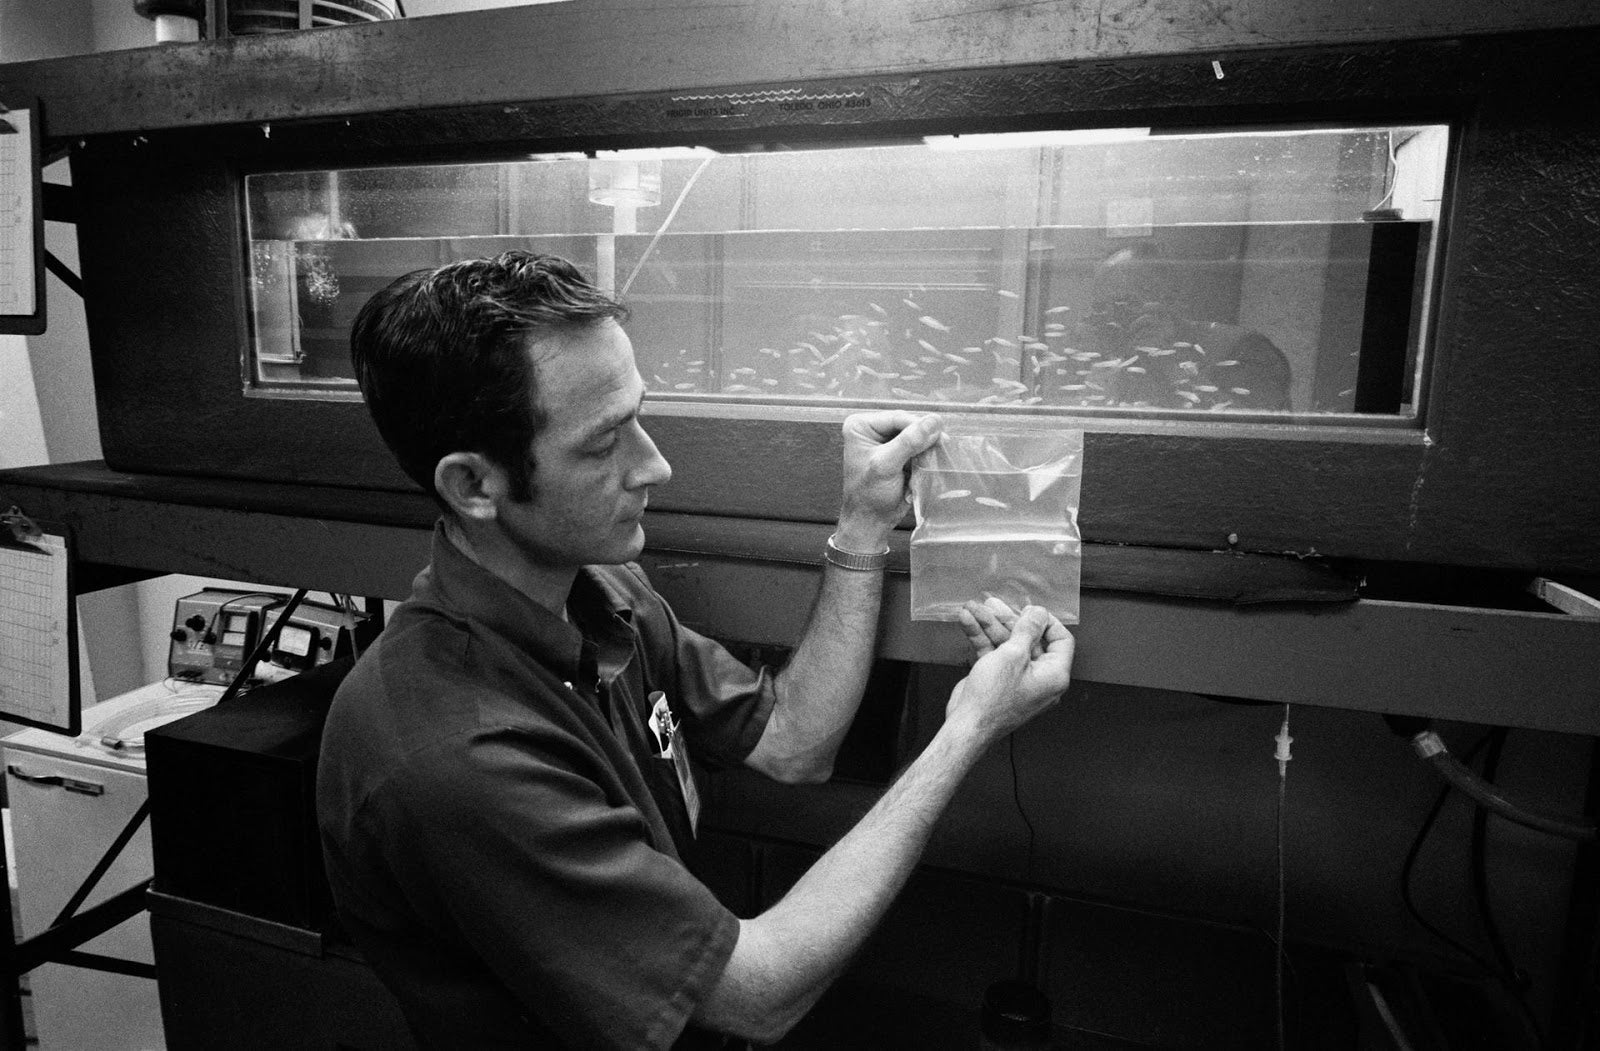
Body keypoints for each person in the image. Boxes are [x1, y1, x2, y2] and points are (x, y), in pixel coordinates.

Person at [316, 251, 1074, 1049]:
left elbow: (792, 742)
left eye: (639, 415)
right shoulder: (453, 757)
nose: (656, 464)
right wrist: (967, 730)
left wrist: (861, 524)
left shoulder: (602, 592)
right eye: (605, 441)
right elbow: (759, 991)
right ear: (475, 485)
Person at [1065, 242, 1292, 413]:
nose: (1114, 319)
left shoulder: (1241, 348)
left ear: (1172, 299)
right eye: (1102, 308)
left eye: (1128, 305)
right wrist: (1088, 390)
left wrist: (1169, 361)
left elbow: (1255, 438)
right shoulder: (1107, 353)